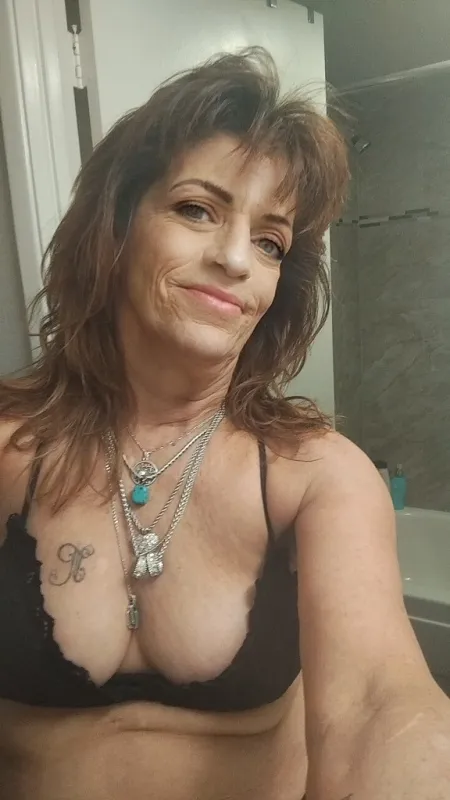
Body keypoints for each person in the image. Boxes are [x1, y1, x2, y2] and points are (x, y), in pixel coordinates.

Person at [0, 47, 449, 800]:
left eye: (270, 241)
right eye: (196, 209)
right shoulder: (11, 447)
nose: (237, 259)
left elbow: (380, 703)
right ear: (116, 227)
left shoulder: (318, 475)